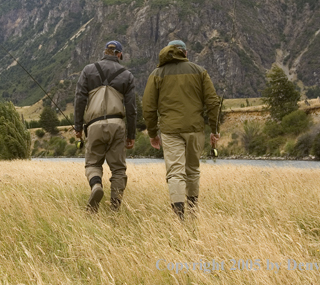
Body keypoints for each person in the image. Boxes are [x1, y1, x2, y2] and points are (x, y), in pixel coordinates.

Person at [142, 40, 221, 219]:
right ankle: (193, 212)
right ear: (185, 53)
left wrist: (153, 133)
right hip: (195, 129)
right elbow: (213, 103)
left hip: (170, 130)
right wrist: (214, 130)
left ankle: (179, 216)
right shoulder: (200, 71)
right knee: (192, 170)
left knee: (175, 172)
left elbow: (148, 106)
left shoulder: (157, 74)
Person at [74, 40, 136, 212]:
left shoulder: (88, 70)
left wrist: (78, 127)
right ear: (119, 54)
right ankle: (115, 208)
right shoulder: (127, 75)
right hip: (117, 125)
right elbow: (131, 109)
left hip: (94, 125)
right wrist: (131, 135)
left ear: (104, 52)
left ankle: (96, 186)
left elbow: (80, 99)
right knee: (118, 169)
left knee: (93, 163)